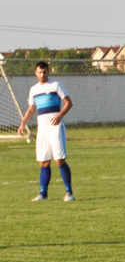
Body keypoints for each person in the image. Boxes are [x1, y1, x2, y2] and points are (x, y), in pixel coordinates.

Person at [18, 61, 75, 202]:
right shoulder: (34, 89)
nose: (42, 74)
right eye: (40, 72)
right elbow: (31, 109)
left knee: (59, 160)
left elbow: (68, 103)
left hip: (56, 127)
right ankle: (43, 194)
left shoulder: (56, 85)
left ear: (48, 72)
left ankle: (69, 193)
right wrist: (23, 123)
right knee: (43, 162)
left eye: (44, 72)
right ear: (36, 73)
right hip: (42, 128)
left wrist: (59, 115)